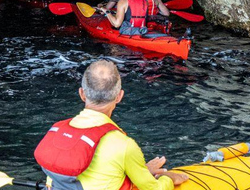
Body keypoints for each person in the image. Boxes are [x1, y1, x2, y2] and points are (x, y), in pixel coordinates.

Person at [34, 59, 188, 190]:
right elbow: (153, 188)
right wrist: (169, 178)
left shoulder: (56, 130)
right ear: (119, 96)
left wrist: (142, 170)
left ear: (82, 93)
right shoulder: (124, 145)